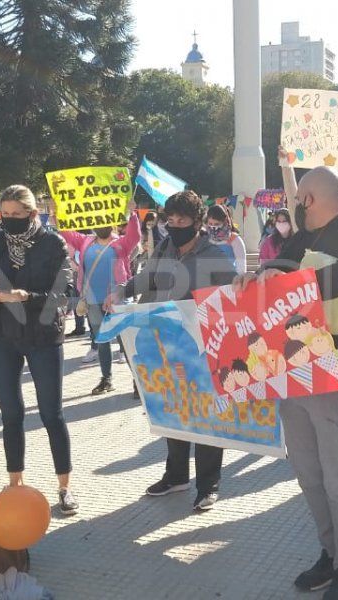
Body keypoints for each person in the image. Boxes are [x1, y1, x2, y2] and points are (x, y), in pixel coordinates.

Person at [237, 166, 338, 600]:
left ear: (314, 197)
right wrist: (256, 276)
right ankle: (330, 551)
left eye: (299, 197)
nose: (294, 205)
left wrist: (296, 285)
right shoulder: (300, 240)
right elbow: (277, 266)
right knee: (308, 473)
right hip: (296, 368)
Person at [106, 190, 236, 512]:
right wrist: (123, 289)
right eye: (171, 219)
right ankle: (176, 476)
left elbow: (235, 290)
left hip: (202, 347)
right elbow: (145, 278)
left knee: (205, 414)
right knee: (174, 411)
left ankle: (209, 485)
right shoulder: (164, 248)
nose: (175, 225)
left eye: (183, 220)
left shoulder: (214, 255)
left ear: (197, 222)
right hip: (164, 343)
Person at [0, 185, 78, 514]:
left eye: (18, 214)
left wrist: (26, 297)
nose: (10, 221)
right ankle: (14, 484)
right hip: (2, 335)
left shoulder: (52, 243)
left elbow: (65, 293)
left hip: (43, 335)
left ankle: (65, 487)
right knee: (11, 414)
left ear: (33, 214)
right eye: (5, 214)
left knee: (51, 414)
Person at [60, 210, 140, 395]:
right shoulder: (85, 241)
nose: (100, 226)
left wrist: (132, 213)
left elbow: (135, 235)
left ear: (111, 223)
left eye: (104, 222)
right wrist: (60, 212)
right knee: (101, 340)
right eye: (97, 223)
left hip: (118, 300)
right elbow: (66, 232)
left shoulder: (120, 243)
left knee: (126, 341)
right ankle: (106, 379)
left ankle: (137, 380)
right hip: (93, 300)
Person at [205, 205, 247, 274]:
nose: (213, 227)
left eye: (217, 224)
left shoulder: (234, 239)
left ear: (224, 222)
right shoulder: (204, 238)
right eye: (210, 223)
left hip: (229, 281)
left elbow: (241, 268)